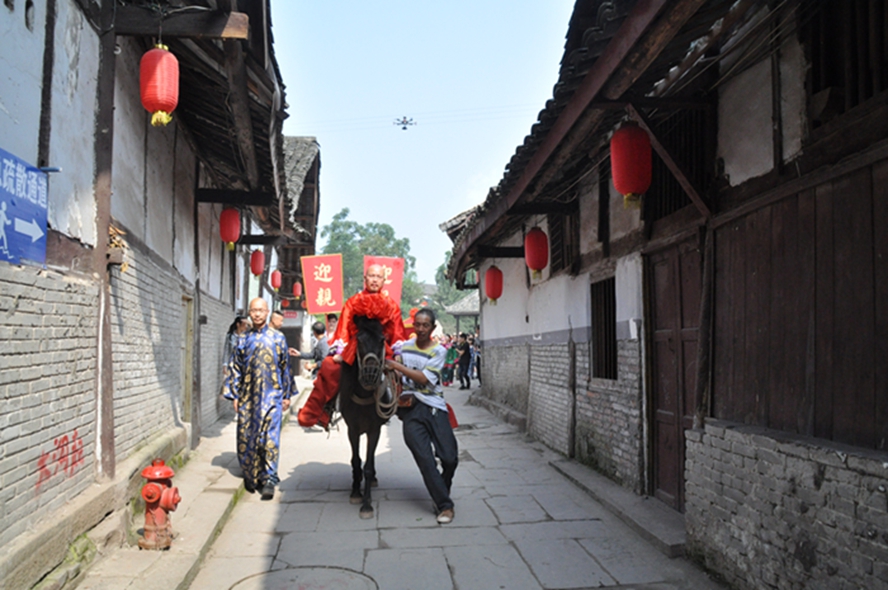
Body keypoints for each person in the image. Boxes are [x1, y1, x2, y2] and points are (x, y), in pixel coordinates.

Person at [297, 264, 406, 428]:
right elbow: (344, 328)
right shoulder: (353, 302)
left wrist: (397, 353)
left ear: (384, 280)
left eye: (378, 277)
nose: (374, 280)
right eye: (372, 276)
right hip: (356, 347)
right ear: (365, 278)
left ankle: (398, 406)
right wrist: (341, 351)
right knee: (329, 366)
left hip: (381, 348)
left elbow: (396, 331)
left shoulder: (391, 305)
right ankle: (325, 410)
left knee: (399, 372)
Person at [385, 308, 458, 524]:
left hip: (434, 407)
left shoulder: (439, 351)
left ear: (433, 328)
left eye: (425, 325)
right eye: (417, 324)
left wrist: (397, 365)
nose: (421, 329)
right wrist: (393, 370)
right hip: (411, 409)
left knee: (450, 458)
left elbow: (424, 379)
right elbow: (399, 374)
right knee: (425, 460)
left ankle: (441, 488)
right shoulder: (405, 347)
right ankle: (445, 506)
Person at [222, 298, 292, 500]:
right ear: (249, 313)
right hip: (248, 397)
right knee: (248, 435)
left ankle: (269, 478)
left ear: (267, 312)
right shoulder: (243, 339)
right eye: (254, 310)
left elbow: (285, 367)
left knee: (270, 438)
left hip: (273, 396)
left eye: (261, 310)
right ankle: (251, 475)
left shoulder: (278, 338)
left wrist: (286, 395)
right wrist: (235, 395)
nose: (258, 314)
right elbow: (236, 368)